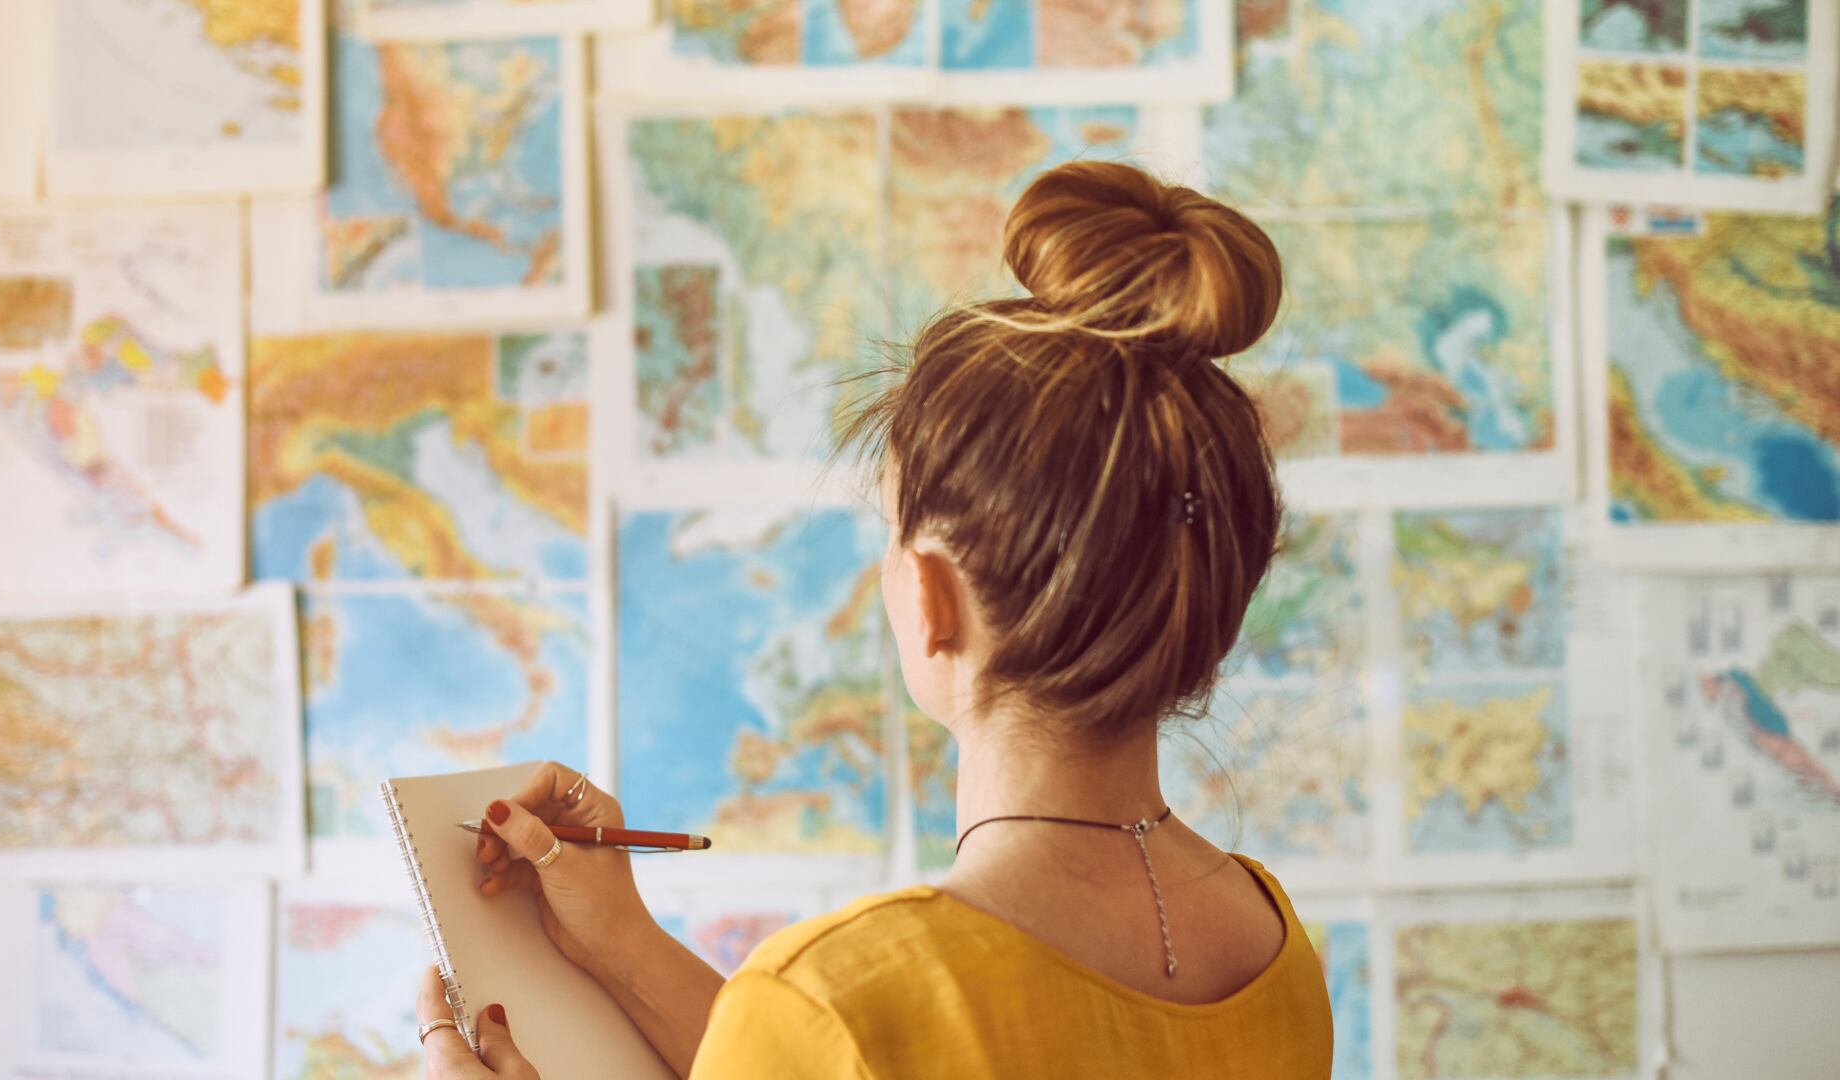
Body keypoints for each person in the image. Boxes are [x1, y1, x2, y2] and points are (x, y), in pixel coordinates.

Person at [413, 160, 1334, 1079]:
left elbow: (836, 1044)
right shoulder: (1273, 947)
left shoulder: (839, 998)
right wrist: (618, 939)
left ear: (931, 598)